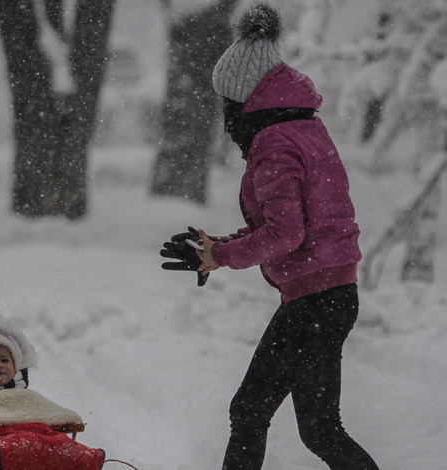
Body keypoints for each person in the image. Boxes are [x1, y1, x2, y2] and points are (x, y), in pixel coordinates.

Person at [167, 4, 380, 470]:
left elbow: (285, 234)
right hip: (329, 294)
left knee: (257, 412)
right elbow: (298, 226)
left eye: (225, 100)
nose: (223, 112)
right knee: (315, 427)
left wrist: (220, 256)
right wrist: (221, 244)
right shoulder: (304, 129)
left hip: (315, 302)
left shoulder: (274, 141)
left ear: (244, 99)